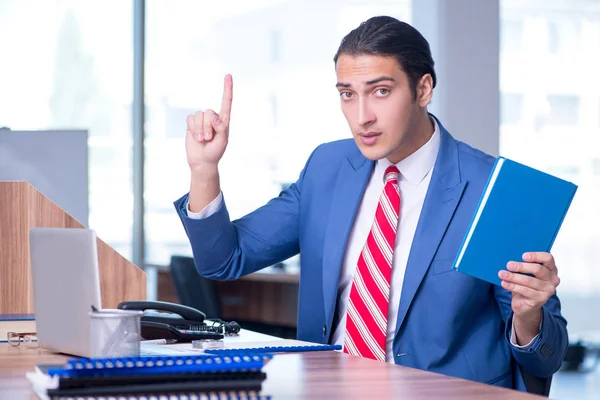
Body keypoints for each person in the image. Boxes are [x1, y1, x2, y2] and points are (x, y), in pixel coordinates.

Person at [174, 16, 567, 391]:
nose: (362, 116)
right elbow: (223, 260)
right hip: (327, 390)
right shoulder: (326, 168)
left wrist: (528, 314)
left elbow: (546, 358)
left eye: (380, 91)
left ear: (423, 89)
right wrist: (204, 169)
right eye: (348, 95)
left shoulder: (493, 189)